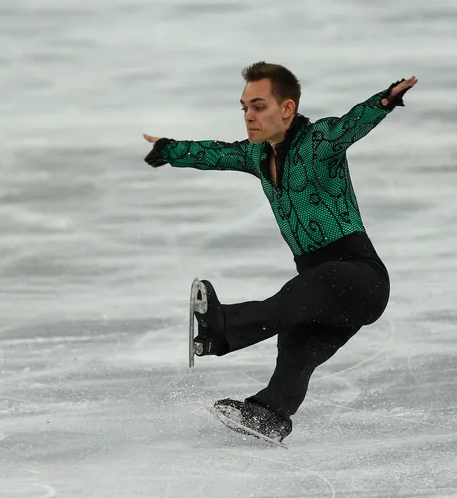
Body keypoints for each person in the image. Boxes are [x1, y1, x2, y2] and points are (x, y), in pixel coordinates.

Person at [143, 62, 417, 443]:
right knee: (295, 351)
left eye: (258, 106)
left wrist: (384, 100)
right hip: (321, 290)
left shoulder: (318, 142)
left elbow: (351, 125)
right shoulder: (257, 156)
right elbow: (217, 153)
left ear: (286, 109)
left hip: (358, 277)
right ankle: (269, 413)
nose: (249, 117)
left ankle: (221, 328)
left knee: (298, 294)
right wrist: (169, 149)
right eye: (244, 108)